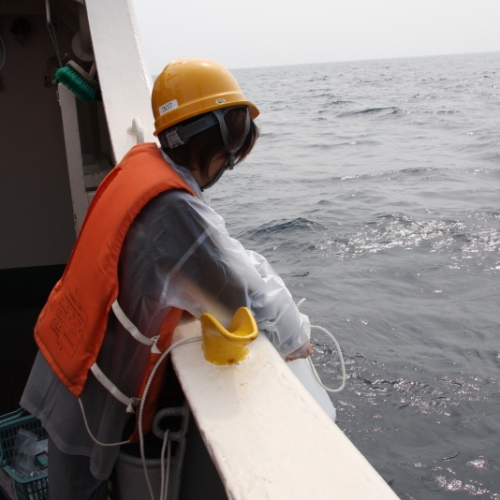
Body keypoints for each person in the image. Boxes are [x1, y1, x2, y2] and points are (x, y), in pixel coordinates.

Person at [20, 58, 312, 500]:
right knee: (77, 490)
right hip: (87, 392)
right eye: (230, 149)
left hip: (67, 359)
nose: (229, 164)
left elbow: (219, 254)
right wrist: (298, 340)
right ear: (211, 142)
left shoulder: (143, 163)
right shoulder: (174, 210)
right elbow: (244, 301)